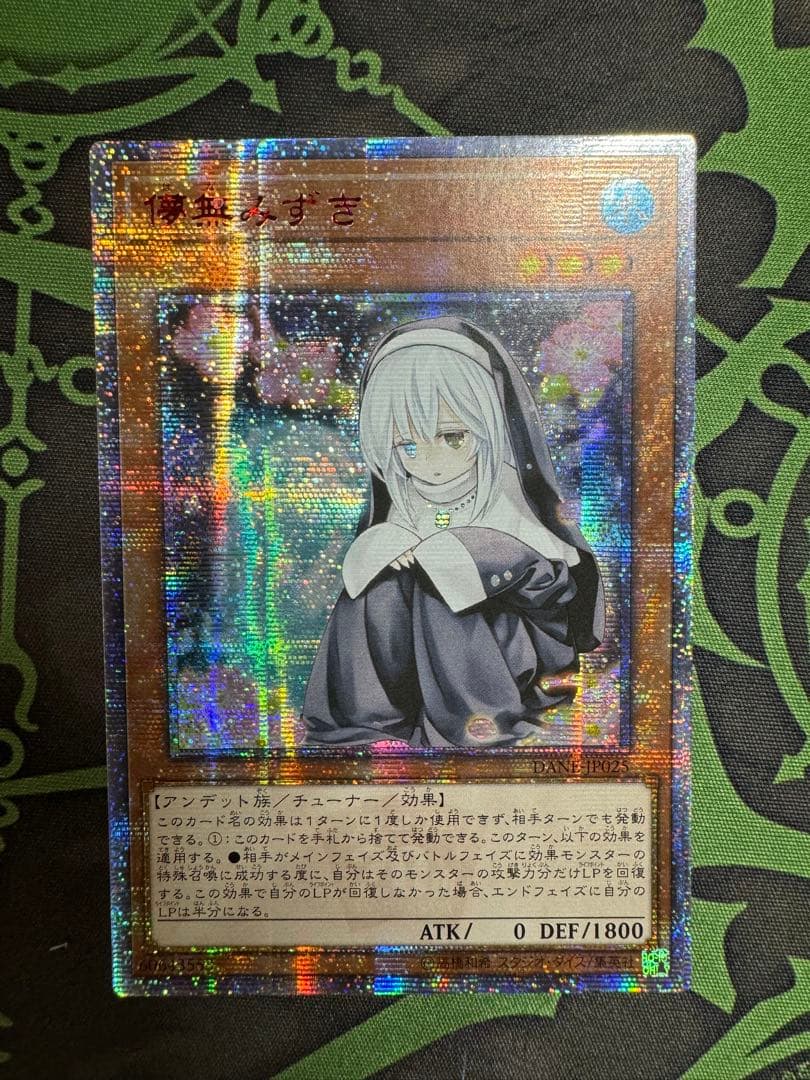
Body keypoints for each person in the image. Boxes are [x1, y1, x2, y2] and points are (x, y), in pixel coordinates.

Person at [303, 316, 605, 748]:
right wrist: (386, 548)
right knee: (379, 586)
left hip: (510, 658)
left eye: (452, 437)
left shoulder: (507, 487)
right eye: (408, 446)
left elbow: (553, 581)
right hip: (423, 660)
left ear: (488, 425)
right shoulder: (406, 495)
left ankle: (473, 724)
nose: (430, 463)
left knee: (438, 584)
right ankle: (370, 718)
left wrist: (472, 556)